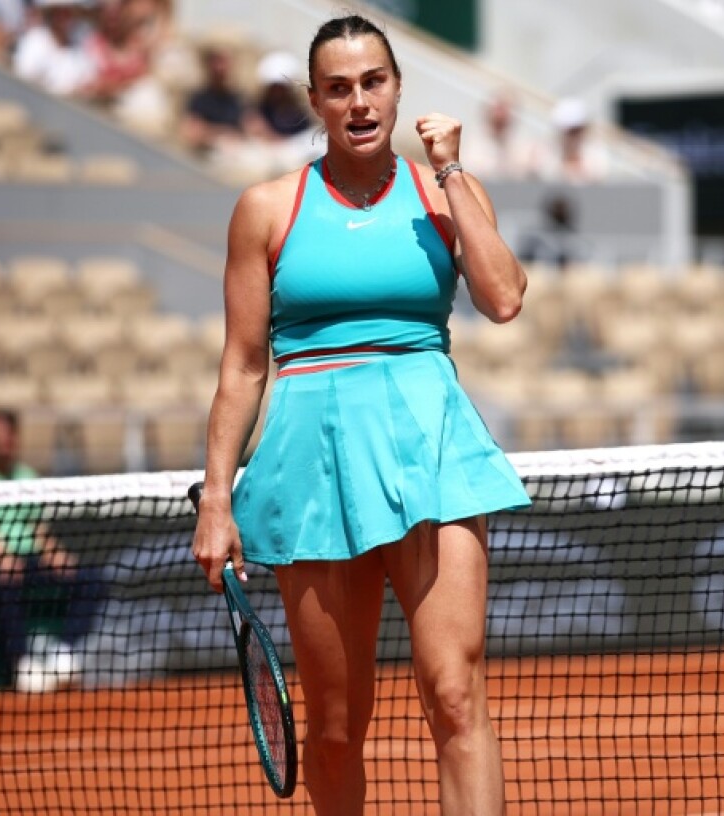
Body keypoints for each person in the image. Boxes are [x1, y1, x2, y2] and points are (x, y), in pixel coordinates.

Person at [191, 14, 531, 815]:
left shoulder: (443, 192)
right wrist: (216, 498)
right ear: (315, 102)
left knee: (456, 692)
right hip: (311, 461)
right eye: (339, 88)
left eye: (373, 82)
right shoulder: (265, 209)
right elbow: (243, 365)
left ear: (398, 87)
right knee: (339, 726)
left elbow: (504, 298)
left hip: (433, 446)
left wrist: (451, 171)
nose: (359, 102)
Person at [0, 409, 104, 692]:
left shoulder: (25, 475)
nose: (6, 442)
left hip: (30, 560)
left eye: (10, 436)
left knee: (90, 579)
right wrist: (0, 554)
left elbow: (37, 527)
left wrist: (56, 555)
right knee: (6, 578)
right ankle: (22, 664)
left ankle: (63, 653)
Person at [12, 0, 97, 97]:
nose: (65, 17)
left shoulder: (80, 49)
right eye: (61, 12)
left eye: (69, 12)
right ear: (52, 13)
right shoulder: (35, 40)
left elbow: (87, 84)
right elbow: (22, 78)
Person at [179, 42, 248, 156]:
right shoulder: (199, 97)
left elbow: (242, 134)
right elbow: (191, 131)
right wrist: (219, 134)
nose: (220, 68)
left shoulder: (238, 101)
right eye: (217, 61)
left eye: (224, 62)